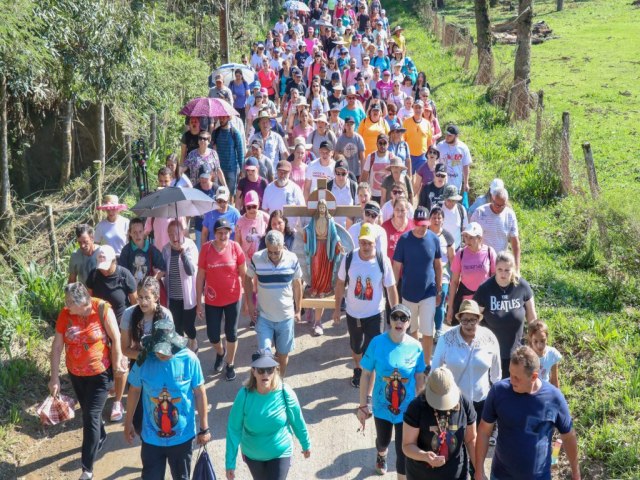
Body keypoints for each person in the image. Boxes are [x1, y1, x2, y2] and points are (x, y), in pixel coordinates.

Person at [49, 282, 126, 480]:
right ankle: (100, 434)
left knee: (90, 416)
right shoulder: (65, 315)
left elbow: (116, 338)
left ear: (81, 302)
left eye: (69, 302)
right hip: (75, 374)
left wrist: (117, 361)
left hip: (100, 374)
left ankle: (87, 469)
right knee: (88, 411)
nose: (66, 305)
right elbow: (57, 347)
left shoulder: (101, 308)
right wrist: (55, 377)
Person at [475, 346, 581, 480]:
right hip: (501, 475)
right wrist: (479, 470)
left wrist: (576, 473)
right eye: (510, 374)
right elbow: (484, 431)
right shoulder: (499, 391)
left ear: (534, 376)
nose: (511, 380)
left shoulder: (554, 398)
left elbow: (568, 436)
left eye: (517, 377)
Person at [124, 319, 210, 480]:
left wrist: (204, 428)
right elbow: (134, 391)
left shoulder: (189, 359)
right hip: (151, 438)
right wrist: (128, 422)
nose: (161, 354)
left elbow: (200, 393)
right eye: (157, 350)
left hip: (182, 438)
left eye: (165, 350)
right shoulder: (143, 360)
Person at [357, 304, 426, 477]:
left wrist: (423, 407)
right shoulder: (376, 343)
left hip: (407, 410)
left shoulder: (416, 347)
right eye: (395, 317)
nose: (399, 321)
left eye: (404, 318)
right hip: (381, 408)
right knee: (383, 440)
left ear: (409, 323)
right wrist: (363, 405)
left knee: (404, 451)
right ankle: (381, 455)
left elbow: (419, 379)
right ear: (389, 320)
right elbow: (366, 374)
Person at [225, 349, 311, 480]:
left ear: (275, 370)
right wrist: (230, 464)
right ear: (253, 371)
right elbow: (234, 429)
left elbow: (297, 420)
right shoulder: (244, 395)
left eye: (269, 369)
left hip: (280, 452)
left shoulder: (284, 391)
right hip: (253, 455)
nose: (265, 374)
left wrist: (306, 444)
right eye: (261, 370)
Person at [431, 300, 501, 456]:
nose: (469, 324)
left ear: (479, 318)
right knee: (456, 445)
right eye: (465, 320)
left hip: (481, 401)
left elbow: (496, 374)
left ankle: (476, 472)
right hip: (454, 403)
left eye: (473, 320)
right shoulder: (447, 339)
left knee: (478, 445)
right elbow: (435, 370)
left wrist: (497, 399)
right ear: (459, 319)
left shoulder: (489, 338)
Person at [334, 223, 398, 388]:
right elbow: (340, 283)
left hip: (375, 313)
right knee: (356, 347)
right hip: (353, 313)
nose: (366, 246)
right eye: (363, 242)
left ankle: (368, 380)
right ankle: (358, 368)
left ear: (375, 243)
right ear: (358, 241)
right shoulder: (349, 258)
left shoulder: (382, 261)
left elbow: (390, 288)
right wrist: (336, 310)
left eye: (369, 243)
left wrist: (396, 313)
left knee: (373, 349)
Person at [86, 244, 137, 421]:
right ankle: (111, 388)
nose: (104, 271)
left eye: (107, 267)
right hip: (100, 327)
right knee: (104, 362)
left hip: (122, 325)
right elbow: (89, 301)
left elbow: (134, 302)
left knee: (121, 362)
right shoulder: (94, 275)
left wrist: (134, 327)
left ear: (114, 261)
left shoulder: (124, 275)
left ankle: (117, 402)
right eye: (101, 267)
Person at [402, 366, 478, 480]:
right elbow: (407, 446)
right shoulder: (416, 407)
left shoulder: (464, 404)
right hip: (421, 475)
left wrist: (479, 470)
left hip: (457, 475)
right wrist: (425, 456)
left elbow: (471, 439)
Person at [120, 277, 173, 434]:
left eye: (147, 298)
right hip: (140, 366)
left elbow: (171, 349)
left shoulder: (165, 315)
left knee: (161, 411)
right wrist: (147, 354)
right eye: (140, 297)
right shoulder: (129, 314)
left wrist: (164, 354)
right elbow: (125, 349)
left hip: (161, 369)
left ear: (156, 297)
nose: (142, 302)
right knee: (139, 420)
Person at [246, 231, 302, 377]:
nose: (272, 256)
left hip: (286, 318)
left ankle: (280, 381)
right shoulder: (257, 258)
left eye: (276, 252)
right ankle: (269, 386)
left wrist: (298, 309)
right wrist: (250, 305)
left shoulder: (292, 259)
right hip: (264, 318)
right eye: (270, 252)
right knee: (265, 357)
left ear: (283, 246)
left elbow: (297, 284)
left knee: (283, 357)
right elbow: (247, 279)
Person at [196, 218, 247, 381]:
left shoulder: (235, 247)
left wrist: (246, 298)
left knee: (231, 334)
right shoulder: (206, 249)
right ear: (214, 233)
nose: (223, 235)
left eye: (226, 232)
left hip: (233, 297)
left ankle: (230, 364)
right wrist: (198, 302)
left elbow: (243, 273)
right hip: (212, 299)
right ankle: (220, 352)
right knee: (212, 335)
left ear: (230, 233)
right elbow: (200, 276)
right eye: (220, 232)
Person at [473, 251, 536, 379]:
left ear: (513, 269)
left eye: (507, 270)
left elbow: (532, 318)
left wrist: (534, 343)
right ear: (495, 268)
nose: (503, 273)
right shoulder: (485, 289)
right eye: (500, 269)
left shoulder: (522, 286)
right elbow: (473, 317)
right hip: (491, 352)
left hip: (517, 353)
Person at [393, 207, 443, 366]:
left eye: (425, 224)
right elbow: (396, 267)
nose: (422, 228)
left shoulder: (434, 239)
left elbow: (438, 266)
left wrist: (439, 289)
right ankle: (416, 361)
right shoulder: (404, 240)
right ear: (414, 222)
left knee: (428, 330)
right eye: (420, 224)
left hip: (429, 292)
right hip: (408, 294)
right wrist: (393, 291)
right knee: (412, 329)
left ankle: (427, 363)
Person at [447, 222, 496, 325]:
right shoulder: (461, 254)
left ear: (480, 238)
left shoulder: (489, 252)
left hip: (485, 301)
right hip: (465, 304)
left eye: (471, 237)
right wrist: (450, 307)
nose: (467, 240)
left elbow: (495, 279)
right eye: (465, 237)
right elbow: (454, 282)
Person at [162, 220, 199, 352]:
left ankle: (193, 339)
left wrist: (183, 254)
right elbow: (163, 270)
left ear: (182, 232)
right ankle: (182, 352)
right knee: (177, 327)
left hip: (188, 295)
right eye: (170, 234)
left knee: (188, 326)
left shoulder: (190, 246)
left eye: (176, 233)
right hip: (173, 296)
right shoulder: (166, 249)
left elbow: (191, 271)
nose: (173, 237)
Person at [470, 187, 521, 272]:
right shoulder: (480, 213)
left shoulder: (510, 215)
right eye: (496, 205)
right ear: (492, 200)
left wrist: (517, 268)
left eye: (502, 206)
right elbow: (470, 237)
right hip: (481, 261)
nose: (499, 208)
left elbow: (515, 243)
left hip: (500, 262)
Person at [303, 199, 343, 298]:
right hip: (316, 247)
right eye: (320, 207)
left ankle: (325, 289)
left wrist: (337, 242)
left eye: (323, 207)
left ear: (326, 208)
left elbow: (334, 234)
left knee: (326, 268)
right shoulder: (314, 219)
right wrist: (306, 232)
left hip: (327, 247)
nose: (322, 209)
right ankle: (315, 288)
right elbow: (309, 229)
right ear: (318, 208)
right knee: (315, 268)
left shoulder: (330, 220)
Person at [427, 206, 455, 339]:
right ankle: (427, 329)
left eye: (439, 217)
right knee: (426, 303)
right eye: (434, 217)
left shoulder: (447, 237)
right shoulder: (424, 233)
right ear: (429, 219)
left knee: (440, 302)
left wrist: (455, 277)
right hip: (426, 275)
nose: (436, 220)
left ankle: (438, 330)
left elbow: (452, 259)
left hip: (443, 275)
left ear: (443, 220)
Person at [118, 217, 166, 290]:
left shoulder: (151, 249)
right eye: (134, 232)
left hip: (148, 290)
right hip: (132, 290)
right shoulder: (126, 250)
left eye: (140, 231)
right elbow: (122, 272)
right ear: (130, 233)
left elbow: (163, 268)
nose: (138, 235)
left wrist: (151, 282)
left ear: (144, 231)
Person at [262, 161, 306, 228]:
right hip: (274, 229)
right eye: (280, 172)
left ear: (290, 173)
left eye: (285, 172)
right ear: (276, 171)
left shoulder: (296, 189)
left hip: (291, 231)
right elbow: (264, 211)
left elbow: (302, 211)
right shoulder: (269, 188)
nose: (282, 175)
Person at [213, 115, 244, 197]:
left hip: (232, 170)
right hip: (218, 170)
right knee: (219, 195)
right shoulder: (215, 133)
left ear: (228, 118)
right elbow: (211, 150)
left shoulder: (235, 133)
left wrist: (242, 170)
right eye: (220, 117)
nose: (221, 119)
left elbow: (240, 153)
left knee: (230, 195)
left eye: (224, 117)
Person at [436, 125, 471, 196]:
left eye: (450, 135)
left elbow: (465, 166)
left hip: (456, 184)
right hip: (441, 183)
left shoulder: (463, 148)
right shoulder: (440, 146)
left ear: (456, 136)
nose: (447, 137)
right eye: (446, 134)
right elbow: (435, 162)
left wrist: (466, 183)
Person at [236, 190, 270, 261]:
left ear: (258, 204)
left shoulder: (266, 218)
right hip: (246, 262)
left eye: (254, 206)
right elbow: (237, 244)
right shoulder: (240, 222)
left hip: (263, 260)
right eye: (248, 207)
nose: (251, 210)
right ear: (245, 206)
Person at [528, 320, 562, 388]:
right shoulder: (526, 356)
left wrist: (557, 396)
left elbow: (554, 379)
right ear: (530, 339)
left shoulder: (552, 354)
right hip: (530, 390)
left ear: (547, 338)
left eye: (542, 341)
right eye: (535, 341)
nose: (539, 345)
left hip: (544, 389)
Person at [361, 133, 392, 203]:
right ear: (376, 144)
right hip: (373, 195)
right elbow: (364, 177)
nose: (382, 145)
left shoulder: (392, 157)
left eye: (385, 143)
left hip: (388, 194)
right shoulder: (371, 157)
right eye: (380, 143)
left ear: (388, 144)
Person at [402, 99, 431, 174]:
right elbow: (402, 139)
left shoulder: (427, 123)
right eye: (416, 107)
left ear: (423, 109)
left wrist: (429, 156)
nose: (418, 109)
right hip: (409, 156)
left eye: (419, 107)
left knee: (420, 180)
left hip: (422, 156)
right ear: (413, 108)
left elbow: (429, 141)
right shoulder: (406, 122)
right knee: (408, 179)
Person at [326, 157, 357, 228]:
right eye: (338, 173)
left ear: (348, 173)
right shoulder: (328, 186)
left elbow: (358, 208)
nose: (340, 177)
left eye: (343, 174)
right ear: (334, 172)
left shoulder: (354, 186)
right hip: (331, 228)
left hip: (349, 228)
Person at [382, 196, 413, 261]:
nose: (399, 213)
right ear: (393, 209)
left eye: (402, 210)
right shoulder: (385, 227)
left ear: (407, 209)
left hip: (408, 268)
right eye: (397, 209)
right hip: (390, 268)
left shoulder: (413, 226)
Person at [441, 184, 468, 250]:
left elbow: (464, 229)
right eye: (449, 200)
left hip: (457, 249)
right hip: (441, 249)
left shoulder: (461, 209)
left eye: (453, 200)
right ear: (444, 198)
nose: (451, 203)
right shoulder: (437, 209)